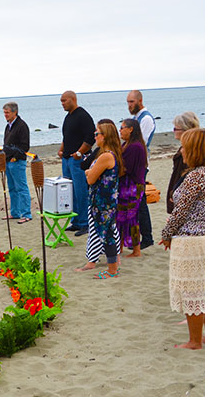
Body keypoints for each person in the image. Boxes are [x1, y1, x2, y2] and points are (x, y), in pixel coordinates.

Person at [161, 128, 205, 349]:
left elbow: (181, 212)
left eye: (185, 147)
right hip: (204, 237)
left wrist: (166, 234)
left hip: (189, 239)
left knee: (191, 292)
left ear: (195, 150)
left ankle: (195, 341)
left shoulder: (196, 176)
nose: (182, 151)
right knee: (203, 290)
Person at [76, 119, 121, 272]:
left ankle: (112, 270)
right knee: (108, 232)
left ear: (105, 136)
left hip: (103, 201)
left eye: (97, 134)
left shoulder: (106, 156)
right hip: (104, 199)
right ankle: (112, 267)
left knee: (106, 234)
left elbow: (90, 178)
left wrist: (90, 172)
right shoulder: (108, 154)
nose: (94, 137)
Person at [58, 91, 95, 236]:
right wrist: (61, 150)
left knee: (81, 191)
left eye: (64, 100)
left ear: (73, 99)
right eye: (61, 101)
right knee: (69, 192)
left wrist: (79, 153)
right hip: (67, 159)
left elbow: (90, 137)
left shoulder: (83, 115)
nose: (62, 103)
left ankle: (85, 223)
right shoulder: (68, 117)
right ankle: (76, 221)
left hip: (77, 160)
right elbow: (66, 137)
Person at [127, 90, 155, 249]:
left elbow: (138, 142)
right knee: (134, 202)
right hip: (134, 164)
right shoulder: (135, 118)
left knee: (140, 202)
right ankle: (137, 237)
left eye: (131, 102)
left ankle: (147, 238)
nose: (129, 105)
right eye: (128, 102)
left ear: (140, 100)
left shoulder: (146, 119)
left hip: (140, 166)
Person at [116, 119, 147, 257]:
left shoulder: (135, 146)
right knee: (121, 217)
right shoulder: (126, 144)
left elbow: (125, 168)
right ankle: (120, 246)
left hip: (133, 186)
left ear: (131, 129)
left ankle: (136, 250)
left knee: (131, 218)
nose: (120, 130)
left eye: (122, 128)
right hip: (126, 185)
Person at [2, 102, 32, 224]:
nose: (5, 115)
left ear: (15, 112)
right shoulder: (8, 126)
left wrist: (15, 157)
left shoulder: (22, 125)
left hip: (17, 161)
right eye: (4, 112)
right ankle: (15, 212)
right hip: (8, 161)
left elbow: (25, 146)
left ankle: (26, 214)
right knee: (12, 188)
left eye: (7, 112)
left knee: (21, 188)